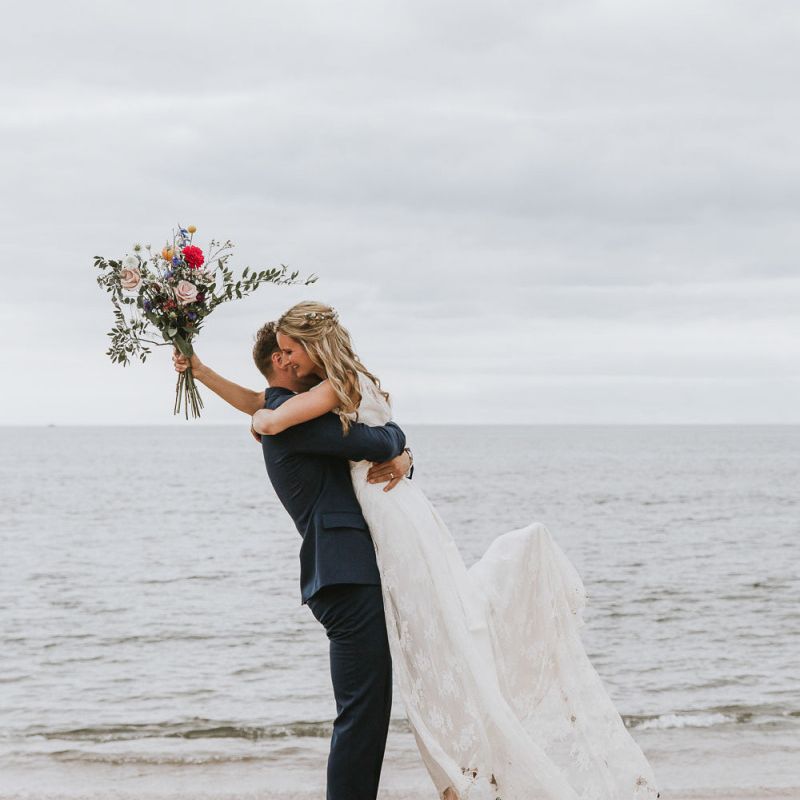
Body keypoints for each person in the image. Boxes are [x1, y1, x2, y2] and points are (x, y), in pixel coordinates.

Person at [249, 301, 662, 800]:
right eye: (283, 354)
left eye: (293, 350)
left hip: (377, 540)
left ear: (311, 348)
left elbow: (350, 431)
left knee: (416, 662)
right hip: (356, 557)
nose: (288, 359)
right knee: (386, 687)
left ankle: (468, 766)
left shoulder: (317, 398)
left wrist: (399, 450)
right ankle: (466, 766)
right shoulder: (298, 409)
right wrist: (394, 445)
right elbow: (354, 434)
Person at [173, 321, 412, 800]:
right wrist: (400, 443)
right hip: (344, 574)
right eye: (288, 351)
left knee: (365, 709)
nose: (298, 359)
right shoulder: (290, 420)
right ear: (281, 361)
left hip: (344, 572)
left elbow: (362, 447)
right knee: (362, 711)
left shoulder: (283, 414)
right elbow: (373, 441)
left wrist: (201, 371)